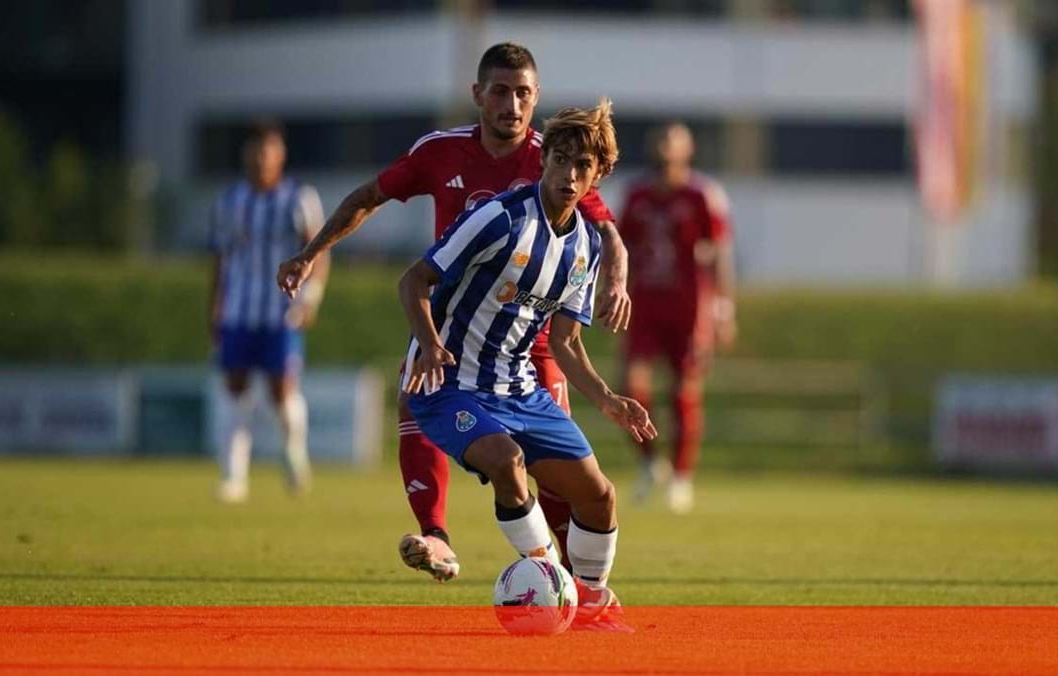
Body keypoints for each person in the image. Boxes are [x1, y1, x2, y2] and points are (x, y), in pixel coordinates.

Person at [276, 43, 631, 581]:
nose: (512, 104)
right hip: (451, 323)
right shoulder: (441, 152)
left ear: (536, 100)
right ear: (478, 95)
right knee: (415, 400)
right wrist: (312, 252)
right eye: (501, 92)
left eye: (524, 94)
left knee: (561, 478)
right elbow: (369, 197)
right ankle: (439, 537)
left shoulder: (556, 156)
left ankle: (572, 586)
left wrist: (616, 282)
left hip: (533, 338)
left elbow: (603, 232)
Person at [397, 98, 652, 629]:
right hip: (450, 384)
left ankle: (592, 602)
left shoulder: (585, 246)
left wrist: (606, 398)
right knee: (508, 462)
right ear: (545, 160)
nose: (568, 173)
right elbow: (413, 281)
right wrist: (429, 343)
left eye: (582, 167)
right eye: (560, 159)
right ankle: (548, 580)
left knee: (599, 496)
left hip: (521, 389)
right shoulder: (497, 218)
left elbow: (565, 343)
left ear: (597, 176)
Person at [617, 122, 737, 514]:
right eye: (662, 139)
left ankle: (682, 477)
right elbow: (620, 249)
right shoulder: (636, 195)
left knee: (684, 391)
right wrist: (611, 292)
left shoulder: (703, 194)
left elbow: (720, 252)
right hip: (646, 304)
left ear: (689, 149)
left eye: (675, 139)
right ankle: (652, 463)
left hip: (690, 307)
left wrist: (723, 308)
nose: (667, 146)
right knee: (630, 386)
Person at [208, 120, 328, 503]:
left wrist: (311, 298)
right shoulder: (230, 201)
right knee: (234, 388)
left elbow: (319, 252)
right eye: (256, 151)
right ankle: (234, 476)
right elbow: (221, 260)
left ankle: (294, 457)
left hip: (281, 311)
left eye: (269, 150)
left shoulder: (299, 198)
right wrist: (214, 308)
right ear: (246, 155)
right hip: (239, 312)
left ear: (281, 155)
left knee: (281, 391)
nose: (262, 158)